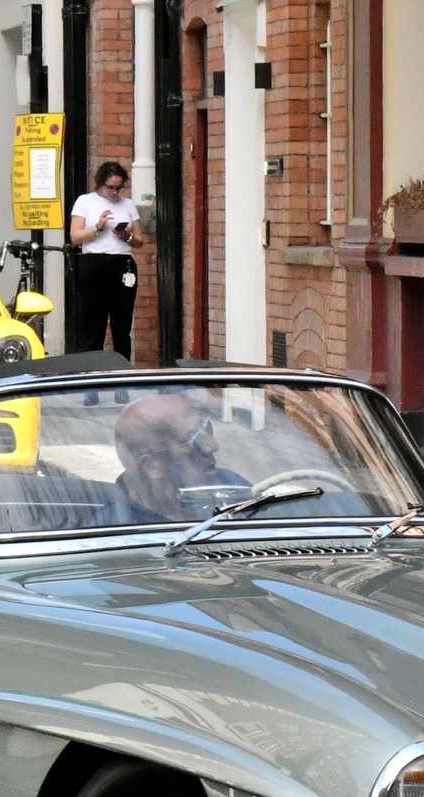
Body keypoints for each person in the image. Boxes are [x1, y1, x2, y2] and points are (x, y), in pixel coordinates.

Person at [100, 391, 249, 525]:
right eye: (195, 439)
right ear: (153, 465)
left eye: (207, 427)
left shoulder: (230, 483)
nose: (213, 445)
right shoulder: (111, 532)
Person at [67, 161, 142, 359]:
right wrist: (98, 227)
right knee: (93, 322)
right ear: (100, 184)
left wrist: (128, 236)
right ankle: (89, 368)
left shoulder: (128, 204)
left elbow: (140, 240)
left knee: (122, 323)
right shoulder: (85, 201)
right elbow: (75, 237)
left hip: (122, 264)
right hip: (94, 264)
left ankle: (123, 367)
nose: (115, 192)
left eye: (119, 188)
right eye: (111, 187)